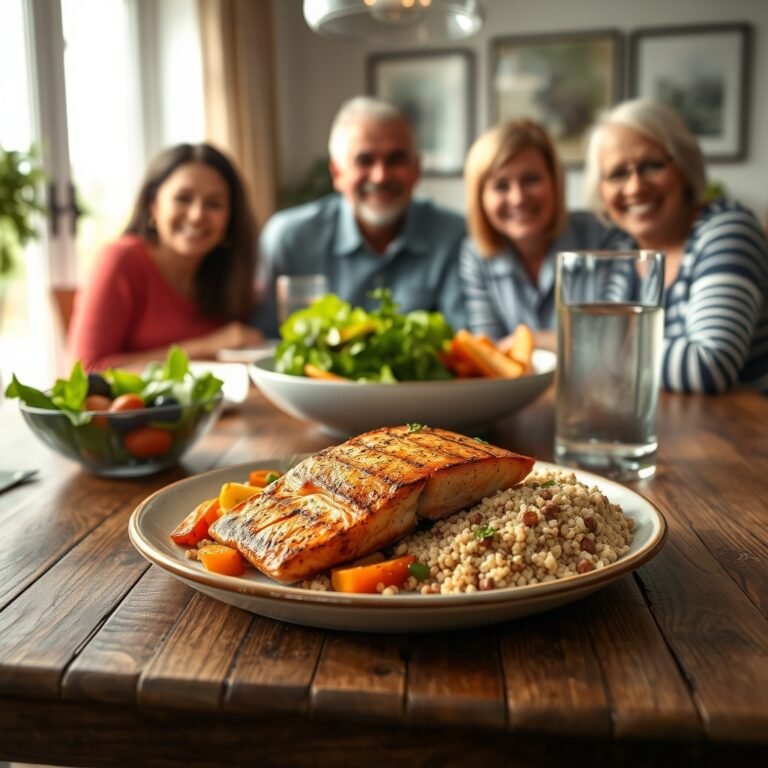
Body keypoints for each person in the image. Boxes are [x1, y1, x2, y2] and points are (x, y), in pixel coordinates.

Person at [584, 98, 768, 395]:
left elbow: (709, 366)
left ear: (684, 167)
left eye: (652, 165)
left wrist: (587, 345)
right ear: (601, 190)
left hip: (746, 432)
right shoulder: (623, 251)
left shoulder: (728, 230)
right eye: (618, 173)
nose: (635, 187)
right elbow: (603, 352)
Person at [252, 96, 467, 338]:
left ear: (416, 170)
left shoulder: (454, 235)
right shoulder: (289, 238)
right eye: (364, 160)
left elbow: (463, 341)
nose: (380, 176)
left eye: (396, 160)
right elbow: (265, 340)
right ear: (337, 173)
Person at [69, 142, 264, 371]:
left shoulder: (231, 275)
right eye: (183, 198)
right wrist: (204, 347)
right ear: (154, 206)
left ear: (231, 219)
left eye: (214, 204)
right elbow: (86, 371)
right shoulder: (121, 260)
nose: (197, 215)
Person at [460, 118, 612, 351]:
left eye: (531, 180)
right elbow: (490, 351)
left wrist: (532, 340)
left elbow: (612, 338)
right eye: (501, 186)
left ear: (554, 181)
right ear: (480, 198)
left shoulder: (601, 236)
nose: (518, 198)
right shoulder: (475, 254)